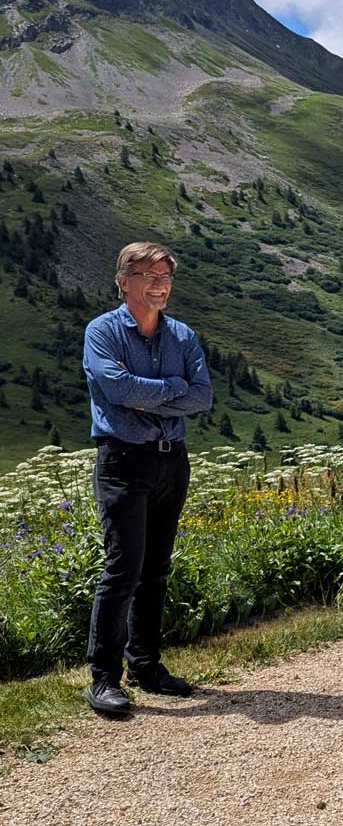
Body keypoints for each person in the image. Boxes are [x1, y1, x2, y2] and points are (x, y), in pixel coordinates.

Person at [81, 242, 213, 714]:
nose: (159, 283)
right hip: (123, 461)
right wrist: (173, 389)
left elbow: (202, 398)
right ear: (123, 280)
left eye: (165, 276)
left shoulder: (182, 335)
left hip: (171, 460)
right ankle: (102, 679)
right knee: (123, 570)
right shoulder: (102, 331)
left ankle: (146, 666)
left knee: (155, 569)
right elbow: (115, 387)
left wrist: (149, 396)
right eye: (147, 274)